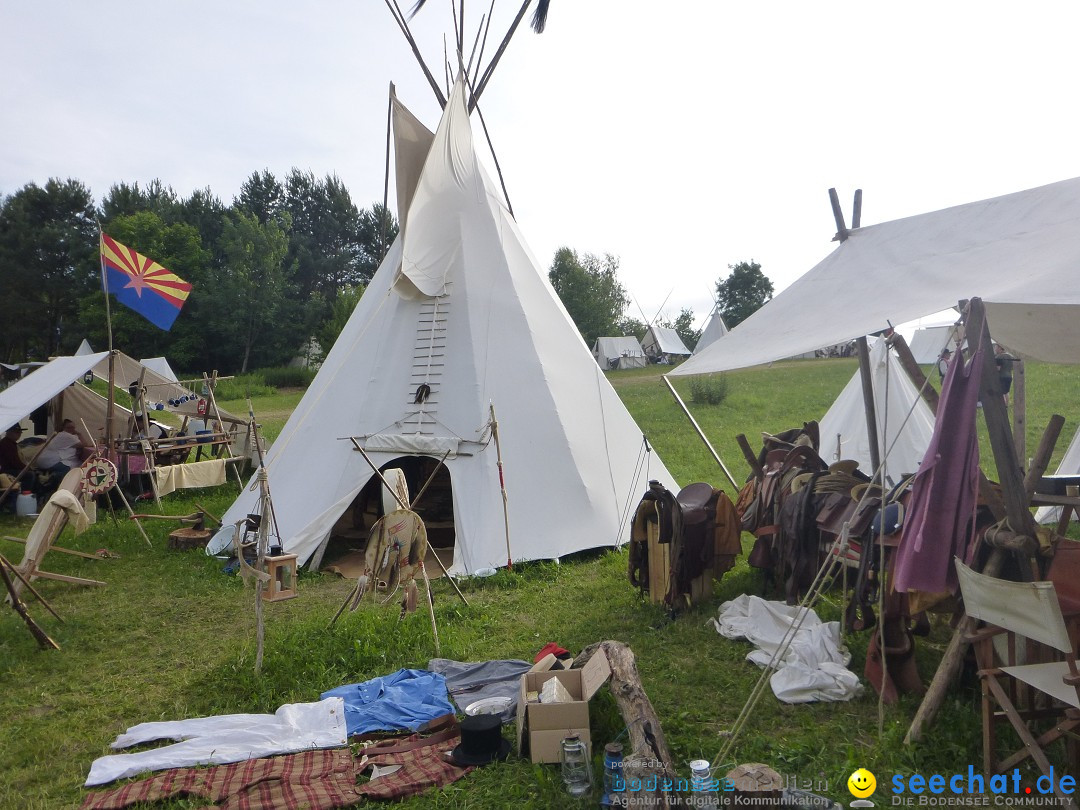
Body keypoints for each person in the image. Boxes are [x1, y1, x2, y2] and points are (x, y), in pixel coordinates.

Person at [34, 419, 93, 490]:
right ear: (64, 428)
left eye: (73, 427)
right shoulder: (66, 435)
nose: (71, 429)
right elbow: (84, 444)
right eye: (69, 427)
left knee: (73, 464)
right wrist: (79, 434)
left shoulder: (60, 435)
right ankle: (53, 481)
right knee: (69, 469)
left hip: (44, 460)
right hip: (49, 462)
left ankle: (51, 479)